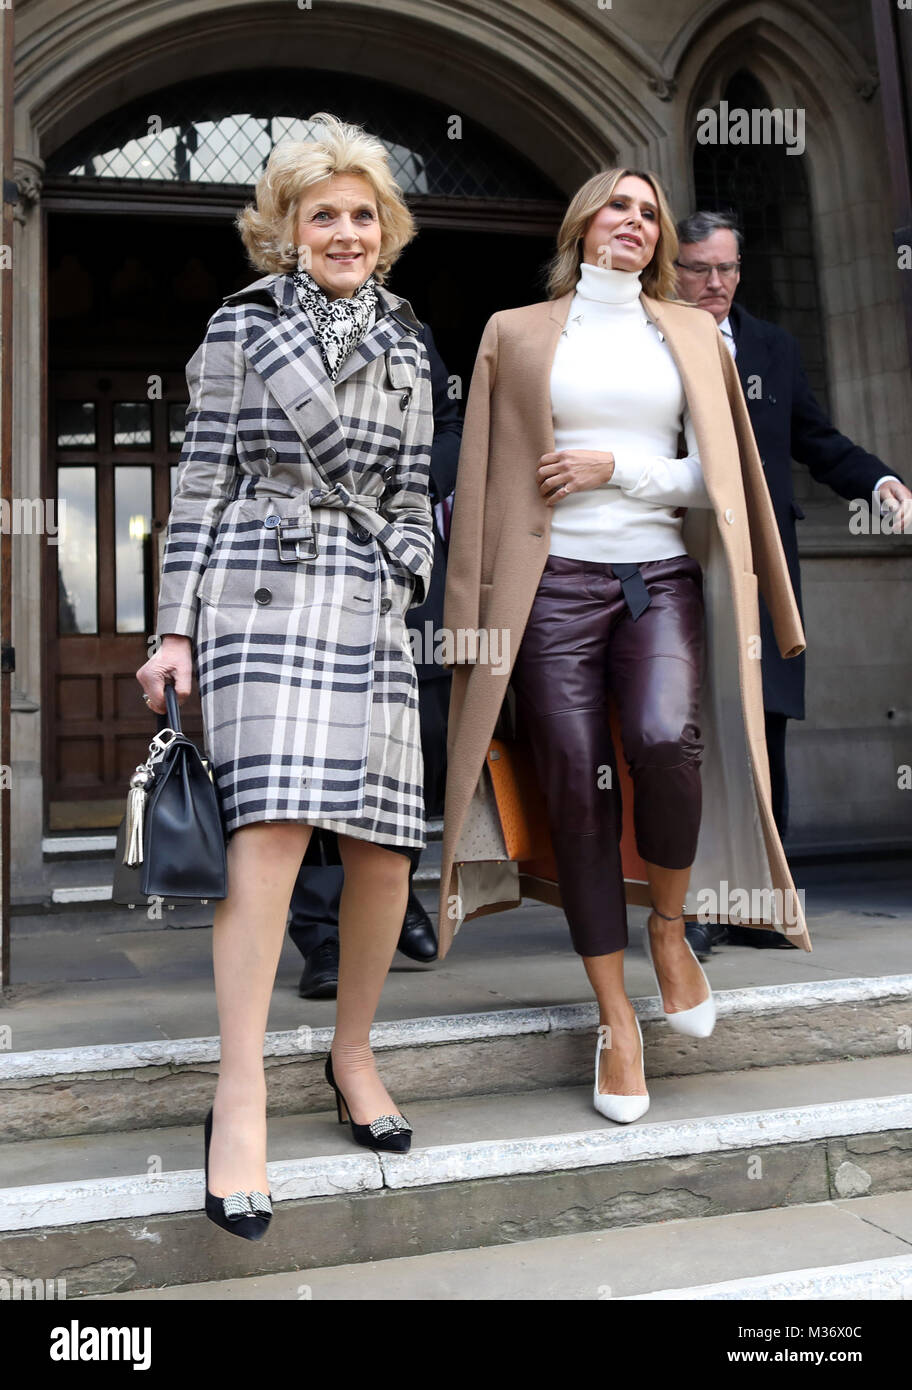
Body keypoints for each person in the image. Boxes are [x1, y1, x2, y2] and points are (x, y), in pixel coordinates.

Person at [437, 168, 811, 1124]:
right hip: (550, 587)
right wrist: (468, 616)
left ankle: (673, 931)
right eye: (621, 206)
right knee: (572, 784)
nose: (636, 222)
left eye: (651, 213)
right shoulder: (513, 332)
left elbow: (716, 478)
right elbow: (482, 481)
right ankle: (616, 1017)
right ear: (583, 222)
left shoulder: (686, 331)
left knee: (662, 741)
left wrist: (619, 467)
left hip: (656, 580)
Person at [137, 112, 435, 1240]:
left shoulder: (409, 343)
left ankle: (351, 1053)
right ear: (287, 230)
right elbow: (199, 483)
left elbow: (413, 495)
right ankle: (243, 1090)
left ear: (384, 228)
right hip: (259, 590)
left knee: (382, 848)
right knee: (267, 832)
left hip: (366, 601)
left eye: (364, 214)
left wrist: (408, 566)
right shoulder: (238, 328)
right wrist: (173, 633)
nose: (347, 231)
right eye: (326, 215)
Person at [674, 210, 911, 954]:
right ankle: (691, 904)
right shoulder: (648, 341)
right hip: (678, 557)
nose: (715, 284)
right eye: (699, 269)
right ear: (672, 269)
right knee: (689, 731)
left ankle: (756, 902)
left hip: (764, 566)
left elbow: (814, 438)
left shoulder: (772, 346)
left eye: (728, 269)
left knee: (762, 727)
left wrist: (877, 481)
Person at [291, 323, 462, 997]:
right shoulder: (267, 331)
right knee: (318, 753)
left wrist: (412, 488)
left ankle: (388, 888)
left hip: (404, 568)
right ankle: (323, 934)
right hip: (304, 569)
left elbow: (449, 425)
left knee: (417, 745)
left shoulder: (414, 332)